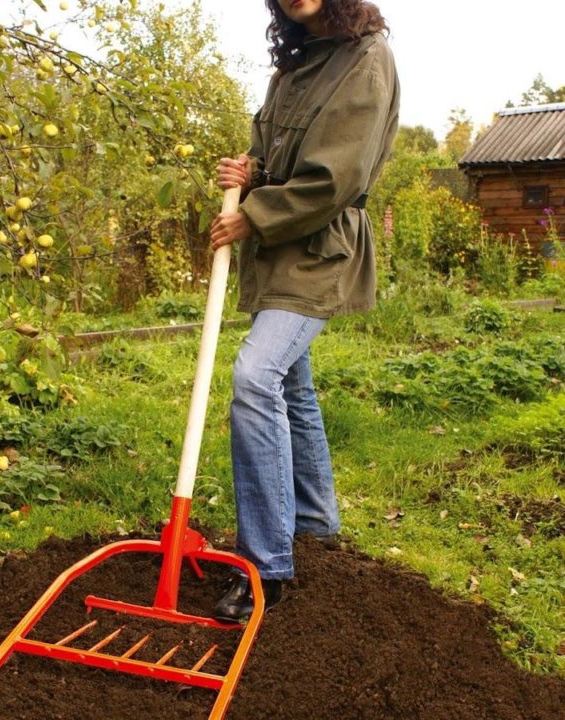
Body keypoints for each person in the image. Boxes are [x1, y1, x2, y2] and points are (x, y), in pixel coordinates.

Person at [210, 0, 400, 622]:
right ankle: (316, 528)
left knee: (255, 377)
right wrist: (252, 170)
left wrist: (252, 214)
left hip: (321, 249)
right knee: (292, 387)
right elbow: (276, 154)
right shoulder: (291, 66)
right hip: (281, 252)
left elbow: (334, 179)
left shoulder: (366, 60)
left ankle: (266, 566)